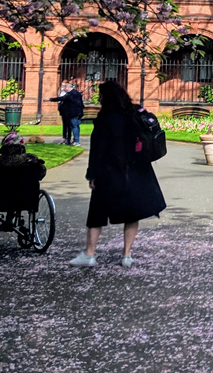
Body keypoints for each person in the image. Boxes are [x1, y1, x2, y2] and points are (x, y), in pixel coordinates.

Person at [70, 80, 166, 269]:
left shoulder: (105, 118)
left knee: (97, 212)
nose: (98, 98)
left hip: (110, 171)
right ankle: (127, 255)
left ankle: (90, 254)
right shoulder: (133, 113)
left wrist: (92, 175)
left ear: (107, 97)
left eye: (101, 95)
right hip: (137, 170)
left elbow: (98, 150)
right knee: (132, 213)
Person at [0, 133, 47, 234]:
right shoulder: (32, 161)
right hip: (25, 199)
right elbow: (41, 174)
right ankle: (10, 222)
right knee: (16, 191)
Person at [55, 81, 85, 145]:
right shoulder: (71, 93)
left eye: (64, 87)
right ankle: (69, 140)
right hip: (69, 112)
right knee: (70, 126)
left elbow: (63, 99)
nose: (63, 88)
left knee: (74, 126)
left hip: (74, 113)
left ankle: (76, 141)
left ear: (68, 87)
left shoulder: (73, 94)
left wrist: (50, 99)